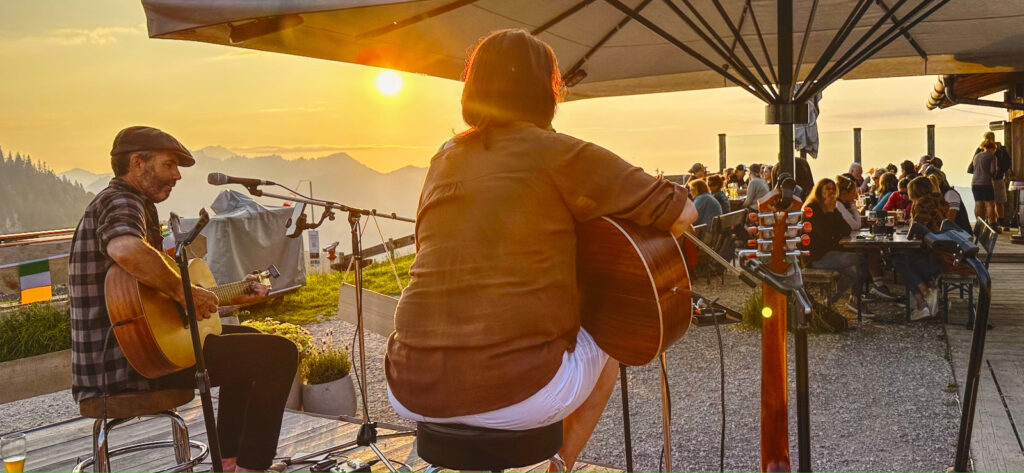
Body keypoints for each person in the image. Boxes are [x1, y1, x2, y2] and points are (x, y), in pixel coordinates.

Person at [383, 29, 698, 472]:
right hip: (518, 392)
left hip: (407, 385)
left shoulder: (444, 158)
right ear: (546, 90)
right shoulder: (561, 154)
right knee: (610, 340)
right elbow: (683, 212)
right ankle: (560, 465)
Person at [69, 126, 298, 473]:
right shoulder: (120, 201)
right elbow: (125, 248)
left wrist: (228, 297)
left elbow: (156, 304)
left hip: (142, 352)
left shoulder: (135, 204)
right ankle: (252, 467)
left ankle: (231, 462)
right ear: (137, 163)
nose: (177, 175)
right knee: (280, 354)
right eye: (169, 165)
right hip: (130, 365)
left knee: (256, 343)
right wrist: (185, 291)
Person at [803, 178, 872, 316]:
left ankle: (829, 301)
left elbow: (846, 229)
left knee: (855, 273)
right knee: (862, 259)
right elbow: (825, 234)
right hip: (817, 256)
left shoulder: (832, 207)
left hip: (832, 252)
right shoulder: (812, 208)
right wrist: (829, 214)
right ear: (819, 191)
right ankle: (854, 300)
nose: (831, 192)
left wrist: (832, 211)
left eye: (833, 189)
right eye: (827, 189)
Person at [834, 175, 898, 300]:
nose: (854, 195)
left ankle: (878, 285)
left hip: (846, 240)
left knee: (872, 248)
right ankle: (856, 295)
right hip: (839, 245)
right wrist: (853, 206)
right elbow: (855, 224)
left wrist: (858, 216)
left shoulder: (842, 204)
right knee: (865, 254)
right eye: (853, 193)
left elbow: (854, 223)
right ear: (844, 193)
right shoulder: (839, 206)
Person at [892, 177, 946, 320]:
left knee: (899, 260)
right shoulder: (940, 200)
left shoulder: (921, 204)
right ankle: (925, 294)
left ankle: (923, 298)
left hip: (934, 258)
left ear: (913, 191)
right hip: (946, 252)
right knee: (904, 259)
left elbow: (916, 231)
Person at [975, 131, 1012, 229]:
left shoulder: (980, 151)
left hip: (981, 180)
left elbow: (973, 166)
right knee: (996, 202)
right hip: (996, 178)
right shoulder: (1000, 149)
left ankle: (984, 223)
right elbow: (1008, 162)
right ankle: (999, 222)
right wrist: (1000, 171)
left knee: (983, 203)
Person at [968, 140, 999, 227]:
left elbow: (974, 168)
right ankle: (992, 223)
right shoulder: (992, 157)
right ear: (993, 148)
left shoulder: (977, 156)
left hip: (975, 183)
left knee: (979, 204)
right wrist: (996, 171)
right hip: (986, 183)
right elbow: (992, 171)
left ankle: (980, 224)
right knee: (990, 204)